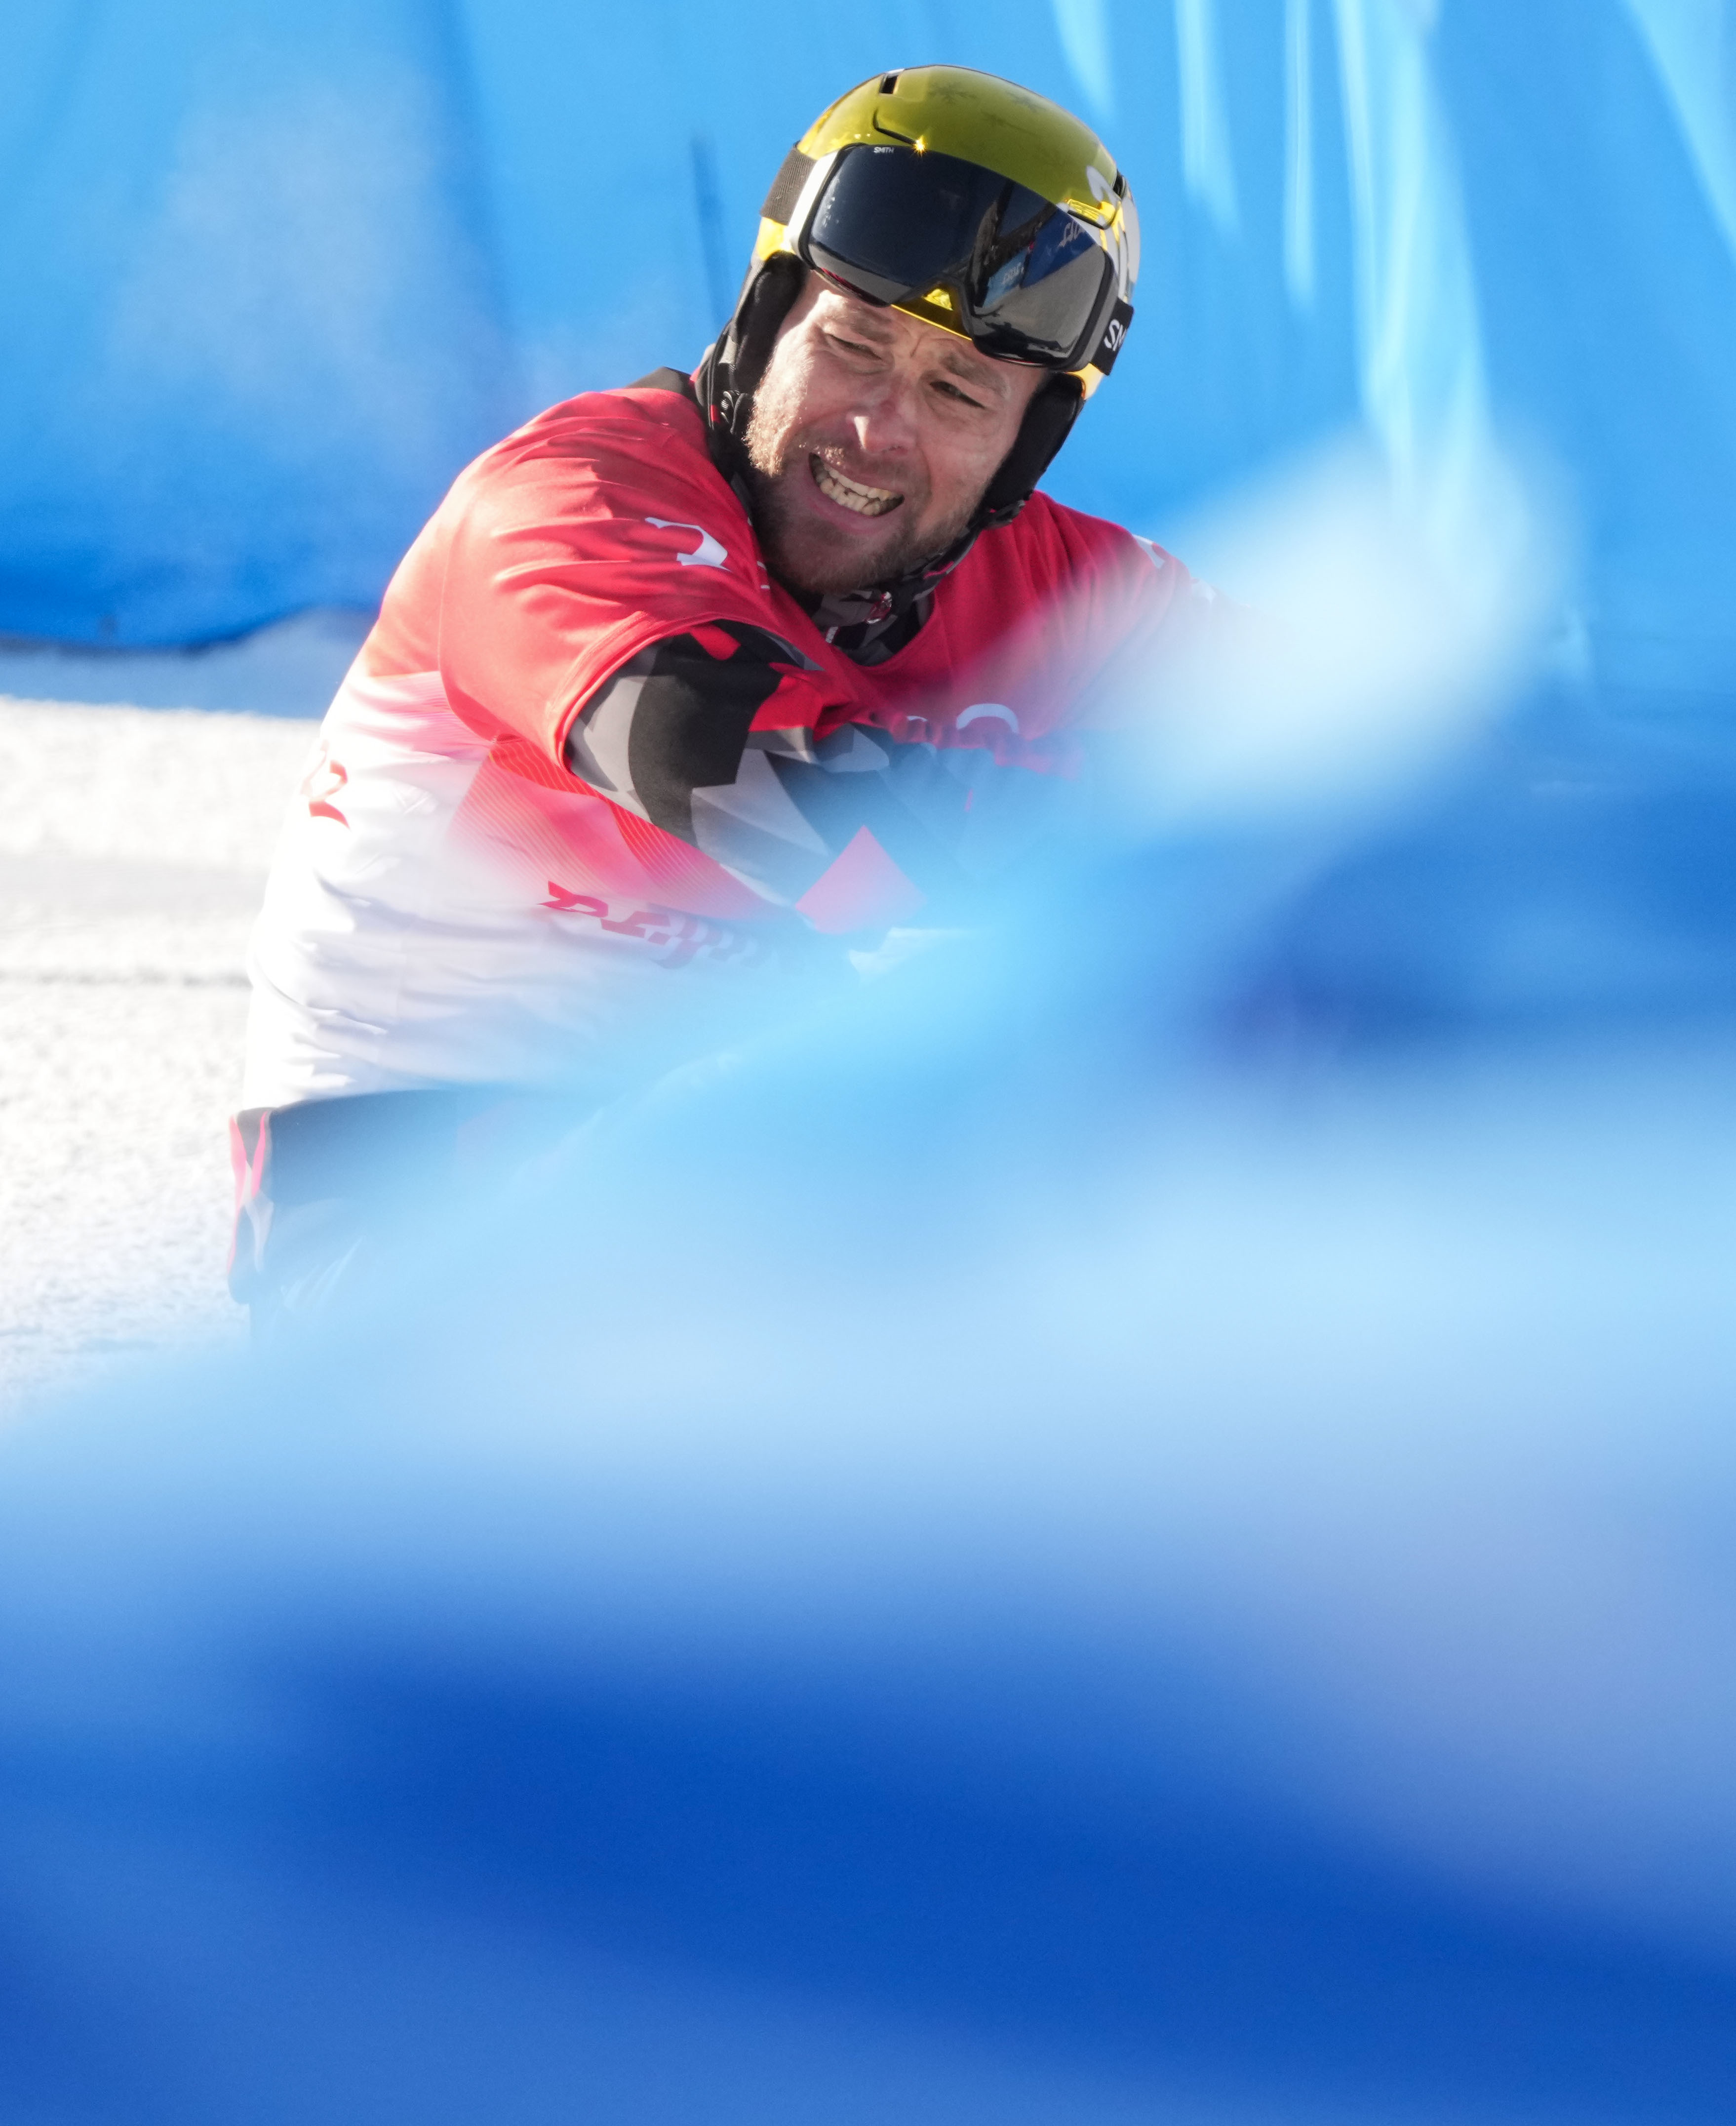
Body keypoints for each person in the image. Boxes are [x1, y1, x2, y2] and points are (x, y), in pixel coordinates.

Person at [230, 64, 1213, 1327]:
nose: (874, 431)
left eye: (959, 393)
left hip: (726, 1203)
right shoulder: (564, 503)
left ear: (1028, 444)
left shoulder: (1061, 585)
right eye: (851, 346)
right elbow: (739, 766)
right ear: (762, 322)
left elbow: (1362, 756)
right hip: (399, 1248)